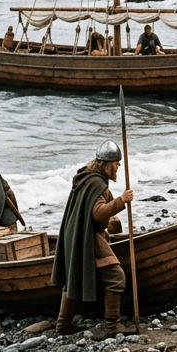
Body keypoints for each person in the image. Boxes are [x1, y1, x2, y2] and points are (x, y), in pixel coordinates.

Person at [53, 140, 134, 338]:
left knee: (73, 276)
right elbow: (97, 213)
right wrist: (121, 201)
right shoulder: (96, 182)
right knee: (116, 278)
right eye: (116, 163)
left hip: (75, 233)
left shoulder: (85, 178)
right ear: (107, 164)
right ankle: (112, 326)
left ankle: (63, 325)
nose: (118, 167)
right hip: (87, 236)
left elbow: (90, 214)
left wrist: (105, 228)